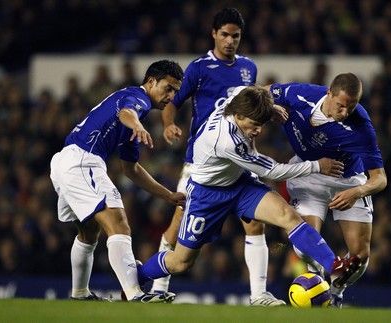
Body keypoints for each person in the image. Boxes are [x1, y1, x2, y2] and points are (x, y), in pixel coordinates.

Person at [137, 86, 362, 302]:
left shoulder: (239, 99)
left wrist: (268, 107)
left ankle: (334, 265)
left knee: (288, 215)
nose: (258, 131)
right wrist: (316, 166)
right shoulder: (227, 141)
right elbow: (274, 170)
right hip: (207, 194)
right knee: (181, 261)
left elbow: (250, 90)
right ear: (238, 115)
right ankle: (138, 276)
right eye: (254, 124)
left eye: (260, 124)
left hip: (240, 184)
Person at [155, 8, 284, 306]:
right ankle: (158, 288)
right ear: (214, 33)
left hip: (238, 158)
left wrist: (266, 112)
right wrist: (168, 123)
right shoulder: (199, 68)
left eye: (235, 36)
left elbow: (251, 104)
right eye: (224, 34)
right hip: (203, 162)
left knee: (254, 223)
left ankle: (258, 295)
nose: (230, 41)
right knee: (178, 224)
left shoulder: (249, 67)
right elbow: (172, 101)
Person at [49, 60, 186, 303]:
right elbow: (126, 113)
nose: (171, 96)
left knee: (89, 231)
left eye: (176, 91)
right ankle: (135, 294)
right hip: (83, 159)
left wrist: (168, 195)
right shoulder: (137, 97)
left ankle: (80, 294)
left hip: (65, 161)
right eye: (168, 88)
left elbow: (131, 170)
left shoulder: (133, 119)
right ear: (152, 81)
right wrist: (136, 124)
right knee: (118, 222)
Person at [266, 73, 387, 307]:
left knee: (359, 257)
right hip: (309, 176)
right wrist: (269, 107)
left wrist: (358, 192)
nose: (344, 113)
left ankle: (336, 289)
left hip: (348, 181)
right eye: (341, 106)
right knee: (305, 247)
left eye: (350, 108)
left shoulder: (361, 126)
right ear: (328, 93)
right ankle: (319, 289)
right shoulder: (301, 94)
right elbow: (262, 91)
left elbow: (380, 179)